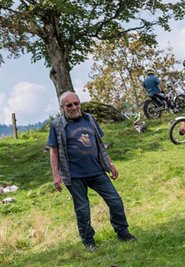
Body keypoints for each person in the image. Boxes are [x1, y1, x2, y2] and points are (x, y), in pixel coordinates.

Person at [48, 91, 135, 251]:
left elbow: (99, 144)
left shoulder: (90, 119)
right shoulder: (57, 125)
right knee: (83, 211)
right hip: (74, 176)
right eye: (69, 105)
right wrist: (56, 175)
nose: (74, 107)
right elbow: (54, 151)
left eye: (76, 103)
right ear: (62, 107)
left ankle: (123, 232)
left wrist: (110, 164)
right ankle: (89, 242)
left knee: (115, 201)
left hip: (97, 171)